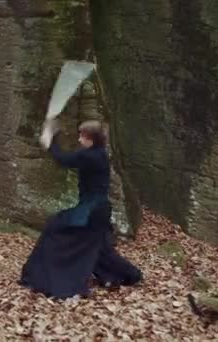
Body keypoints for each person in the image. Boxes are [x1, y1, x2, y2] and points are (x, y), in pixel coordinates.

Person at [19, 119, 142, 299]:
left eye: (82, 136)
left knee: (55, 228)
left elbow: (64, 159)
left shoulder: (90, 156)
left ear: (90, 139)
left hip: (92, 211)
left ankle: (57, 281)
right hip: (99, 210)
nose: (79, 139)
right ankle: (130, 275)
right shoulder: (97, 153)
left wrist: (49, 140)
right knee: (101, 249)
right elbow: (71, 158)